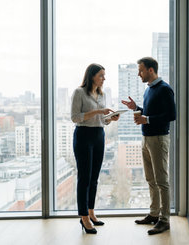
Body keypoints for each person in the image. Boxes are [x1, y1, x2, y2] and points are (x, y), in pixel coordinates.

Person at [121, 57, 176, 235]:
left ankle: (165, 220)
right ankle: (154, 214)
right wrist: (136, 107)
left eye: (141, 70)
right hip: (146, 139)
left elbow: (171, 115)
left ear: (151, 70)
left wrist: (148, 119)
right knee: (150, 179)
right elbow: (149, 113)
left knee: (162, 181)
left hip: (158, 139)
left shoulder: (165, 89)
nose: (139, 74)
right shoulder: (149, 90)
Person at [71, 63, 119, 234]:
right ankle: (83, 217)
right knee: (84, 178)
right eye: (101, 75)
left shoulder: (102, 94)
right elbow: (75, 117)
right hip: (83, 136)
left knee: (94, 178)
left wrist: (109, 119)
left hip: (99, 135)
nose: (104, 78)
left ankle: (91, 212)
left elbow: (102, 120)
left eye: (104, 75)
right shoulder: (79, 93)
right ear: (91, 76)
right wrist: (98, 112)